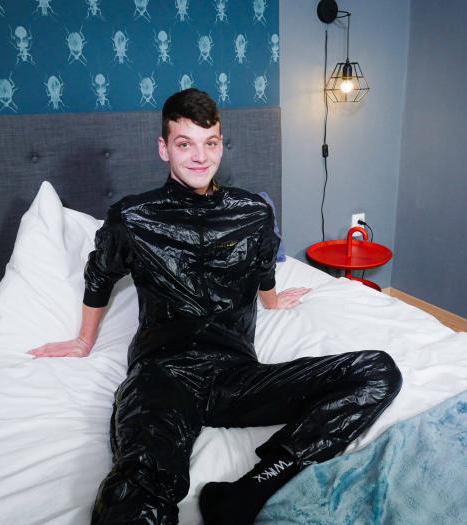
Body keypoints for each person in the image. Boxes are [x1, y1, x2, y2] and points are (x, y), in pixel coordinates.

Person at [27, 88, 402, 525]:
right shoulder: (132, 217)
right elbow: (100, 276)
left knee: (378, 371)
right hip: (164, 374)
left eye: (211, 143)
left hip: (236, 376)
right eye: (185, 144)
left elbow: (263, 267)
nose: (201, 157)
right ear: (164, 148)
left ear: (222, 144)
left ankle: (253, 487)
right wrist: (83, 340)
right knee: (136, 486)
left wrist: (273, 301)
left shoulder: (253, 212)